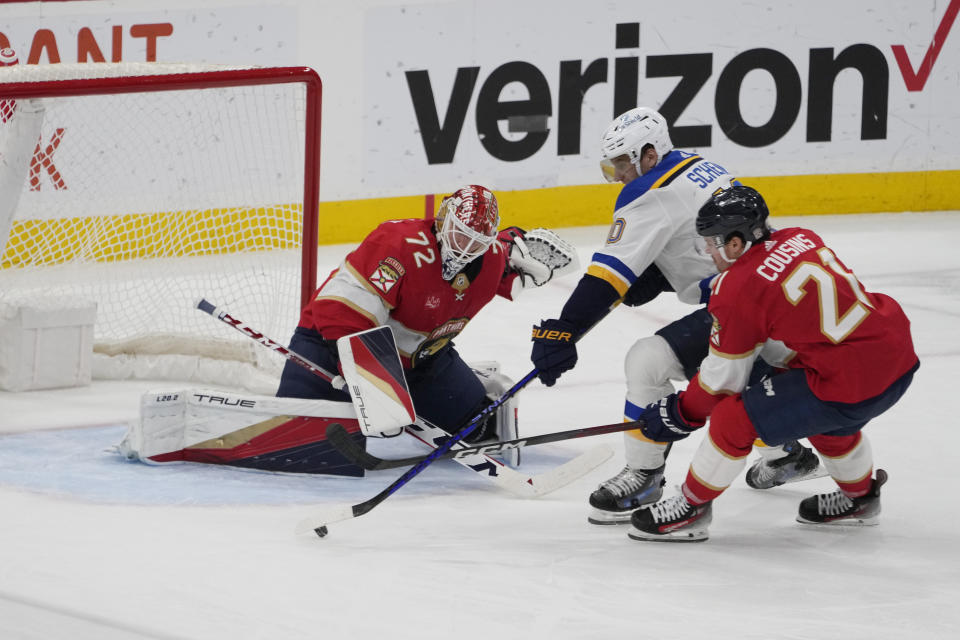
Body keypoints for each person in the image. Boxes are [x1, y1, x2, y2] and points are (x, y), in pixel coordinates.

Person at [529, 107, 821, 524]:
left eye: (624, 163)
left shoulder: (650, 193)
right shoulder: (697, 165)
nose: (618, 175)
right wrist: (665, 274)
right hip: (777, 304)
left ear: (650, 154)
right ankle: (785, 453)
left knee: (649, 360)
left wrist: (565, 329)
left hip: (746, 306)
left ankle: (644, 476)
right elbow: (696, 245)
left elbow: (606, 277)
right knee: (730, 368)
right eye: (612, 166)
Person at [628, 185, 919, 542]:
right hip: (897, 357)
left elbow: (722, 383)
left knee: (732, 420)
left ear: (735, 243)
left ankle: (690, 509)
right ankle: (860, 501)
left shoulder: (737, 288)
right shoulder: (800, 237)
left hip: (850, 382)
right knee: (824, 420)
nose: (706, 248)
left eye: (712, 240)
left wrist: (681, 411)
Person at [278, 184, 574, 461]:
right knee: (301, 445)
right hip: (331, 344)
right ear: (443, 219)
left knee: (477, 428)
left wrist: (521, 258)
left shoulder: (492, 257)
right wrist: (375, 385)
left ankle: (474, 385)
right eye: (460, 235)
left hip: (422, 358)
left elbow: (502, 261)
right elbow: (340, 312)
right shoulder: (398, 245)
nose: (465, 248)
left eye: (476, 242)